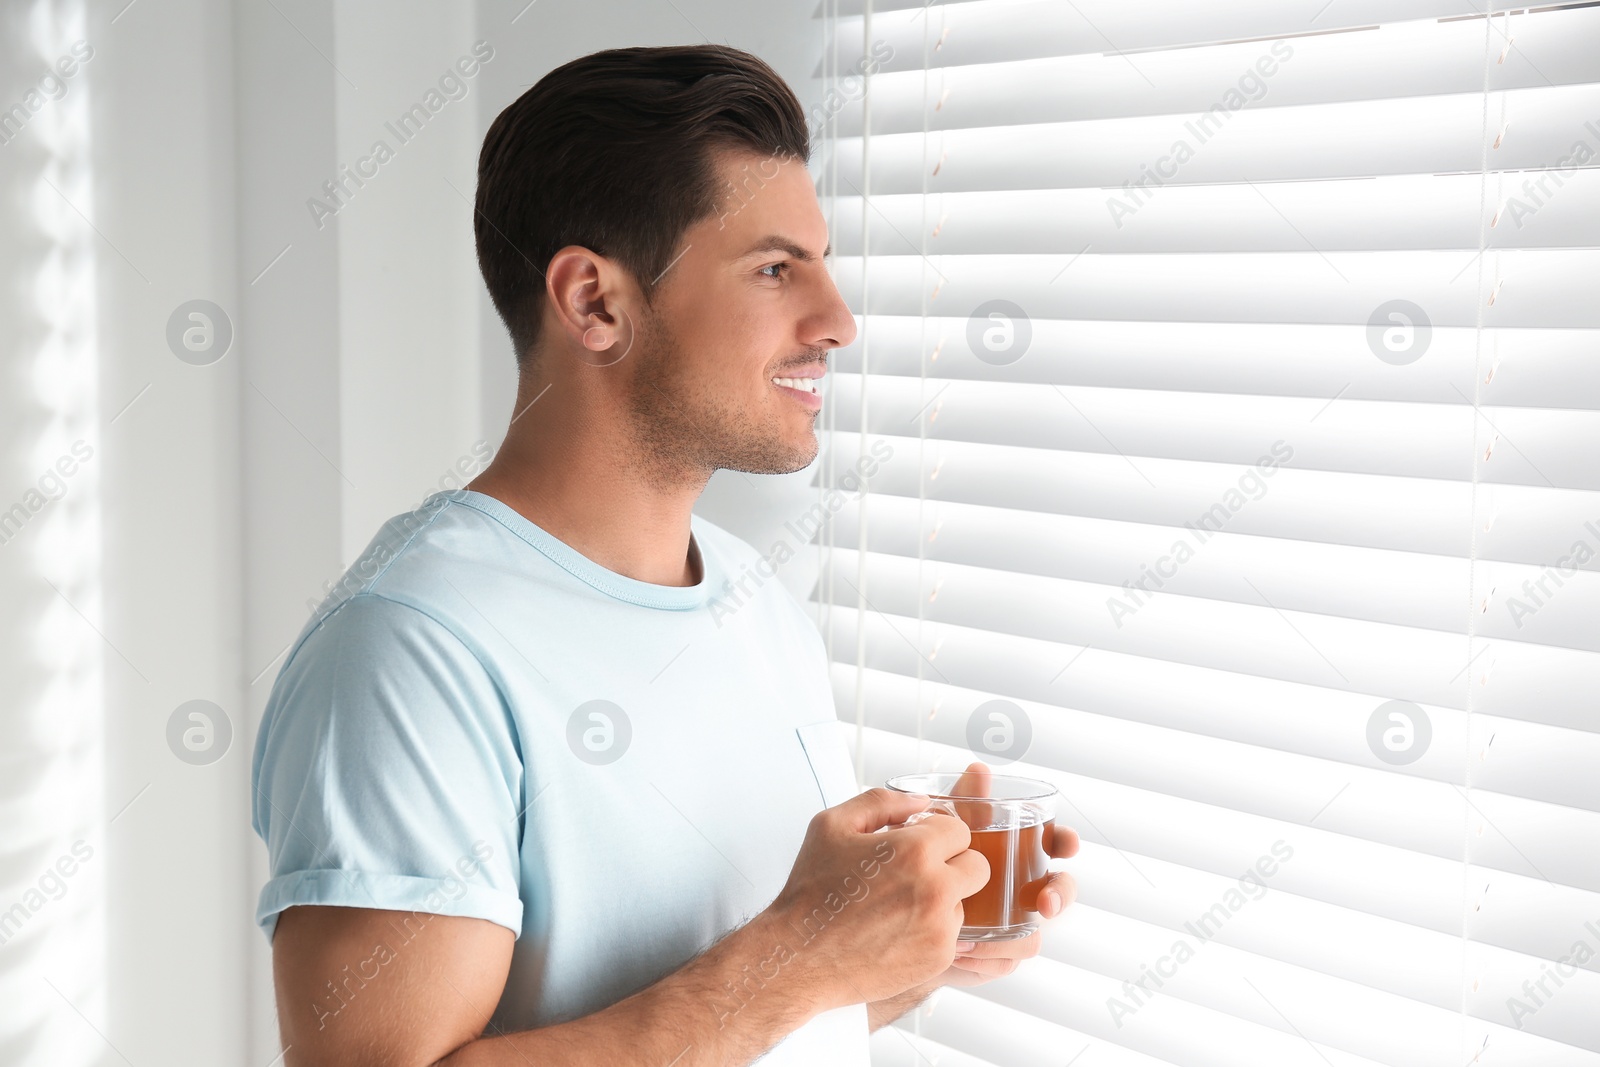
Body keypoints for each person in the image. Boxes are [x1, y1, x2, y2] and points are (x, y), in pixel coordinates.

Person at [251, 43, 1079, 1067]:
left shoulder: (751, 598)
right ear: (595, 303)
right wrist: (802, 957)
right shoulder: (409, 652)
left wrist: (898, 940)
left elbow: (738, 1020)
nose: (837, 322)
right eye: (776, 269)